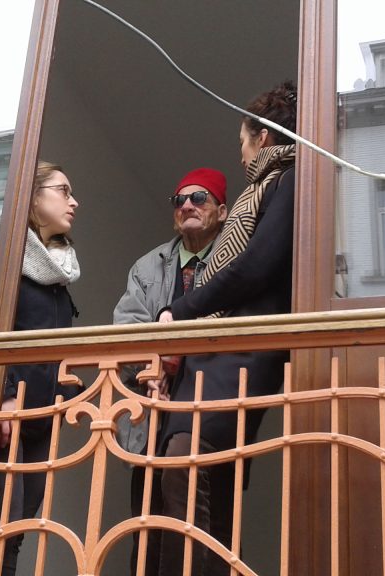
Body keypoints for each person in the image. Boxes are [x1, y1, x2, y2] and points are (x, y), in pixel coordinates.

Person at [155, 81, 298, 575]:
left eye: (242, 142)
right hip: (217, 355)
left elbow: (256, 267)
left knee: (187, 461)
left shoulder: (288, 180)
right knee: (203, 478)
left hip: (241, 353)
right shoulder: (265, 187)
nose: (240, 156)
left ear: (263, 137)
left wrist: (182, 309)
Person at [112, 167, 229, 574]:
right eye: (180, 200)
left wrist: (174, 356)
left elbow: (232, 327)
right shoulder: (147, 266)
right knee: (146, 527)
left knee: (209, 525)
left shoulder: (234, 261)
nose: (187, 206)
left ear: (222, 211)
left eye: (199, 198)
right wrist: (154, 365)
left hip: (208, 407)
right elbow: (126, 329)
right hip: (150, 411)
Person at [0, 161, 80, 576]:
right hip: (8, 412)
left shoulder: (59, 271)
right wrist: (3, 392)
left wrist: (68, 395)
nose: (75, 202)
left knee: (17, 531)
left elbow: (52, 345)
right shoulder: (1, 252)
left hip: (42, 417)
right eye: (64, 191)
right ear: (33, 196)